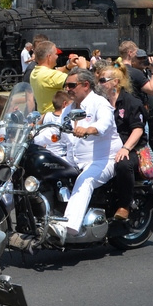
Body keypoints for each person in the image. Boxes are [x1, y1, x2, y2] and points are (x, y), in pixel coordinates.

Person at [47, 68, 118, 242]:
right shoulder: (69, 109)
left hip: (103, 159)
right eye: (66, 86)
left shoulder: (99, 103)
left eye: (72, 85)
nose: (68, 89)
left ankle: (67, 226)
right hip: (74, 160)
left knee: (84, 181)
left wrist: (88, 129)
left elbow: (104, 124)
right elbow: (58, 131)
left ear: (86, 85)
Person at [94, 65, 148, 222]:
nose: (99, 83)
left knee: (123, 164)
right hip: (106, 146)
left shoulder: (131, 102)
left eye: (103, 80)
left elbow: (137, 130)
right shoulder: (101, 103)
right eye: (98, 80)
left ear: (115, 82)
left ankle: (124, 206)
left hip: (130, 147)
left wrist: (125, 148)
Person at [119, 42, 153, 185]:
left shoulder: (119, 70)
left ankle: (150, 175)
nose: (142, 59)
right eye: (137, 54)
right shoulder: (133, 72)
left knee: (146, 144)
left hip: (131, 112)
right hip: (139, 113)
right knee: (143, 147)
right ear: (130, 54)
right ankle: (147, 175)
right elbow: (151, 89)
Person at [30, 40, 85, 114]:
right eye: (56, 54)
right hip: (56, 118)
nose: (57, 56)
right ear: (49, 57)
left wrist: (68, 67)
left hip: (44, 116)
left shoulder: (35, 72)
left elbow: (56, 72)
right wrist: (82, 66)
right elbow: (77, 81)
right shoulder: (49, 75)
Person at [33, 89, 70, 159]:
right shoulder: (66, 119)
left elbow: (35, 126)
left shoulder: (46, 115)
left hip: (47, 152)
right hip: (62, 155)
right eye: (70, 104)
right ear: (65, 104)